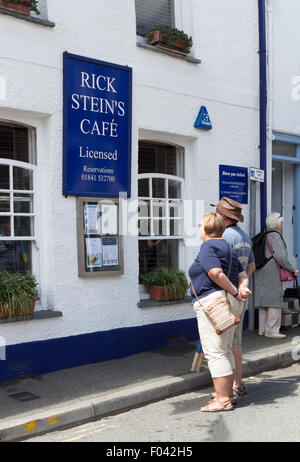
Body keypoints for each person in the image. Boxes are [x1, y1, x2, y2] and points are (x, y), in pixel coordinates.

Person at [189, 213, 250, 412]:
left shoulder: (208, 246)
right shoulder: (228, 247)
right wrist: (241, 290)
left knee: (215, 352)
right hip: (230, 302)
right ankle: (228, 395)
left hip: (215, 303)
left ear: (206, 229)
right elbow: (243, 274)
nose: (199, 229)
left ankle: (222, 399)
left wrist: (234, 291)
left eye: (200, 226)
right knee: (225, 349)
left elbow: (215, 273)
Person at [212, 196, 255, 398]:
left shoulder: (225, 236)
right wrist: (242, 283)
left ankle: (226, 390)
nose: (217, 216)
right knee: (236, 342)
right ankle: (238, 382)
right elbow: (251, 266)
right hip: (241, 295)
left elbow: (218, 269)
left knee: (223, 344)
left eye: (219, 213)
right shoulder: (245, 236)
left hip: (226, 295)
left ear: (224, 216)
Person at [255, 212, 299, 339]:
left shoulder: (265, 234)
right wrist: (292, 269)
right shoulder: (275, 235)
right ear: (277, 224)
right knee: (274, 299)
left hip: (261, 269)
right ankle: (272, 331)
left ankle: (262, 329)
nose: (282, 225)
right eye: (281, 223)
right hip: (272, 271)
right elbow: (280, 256)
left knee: (264, 300)